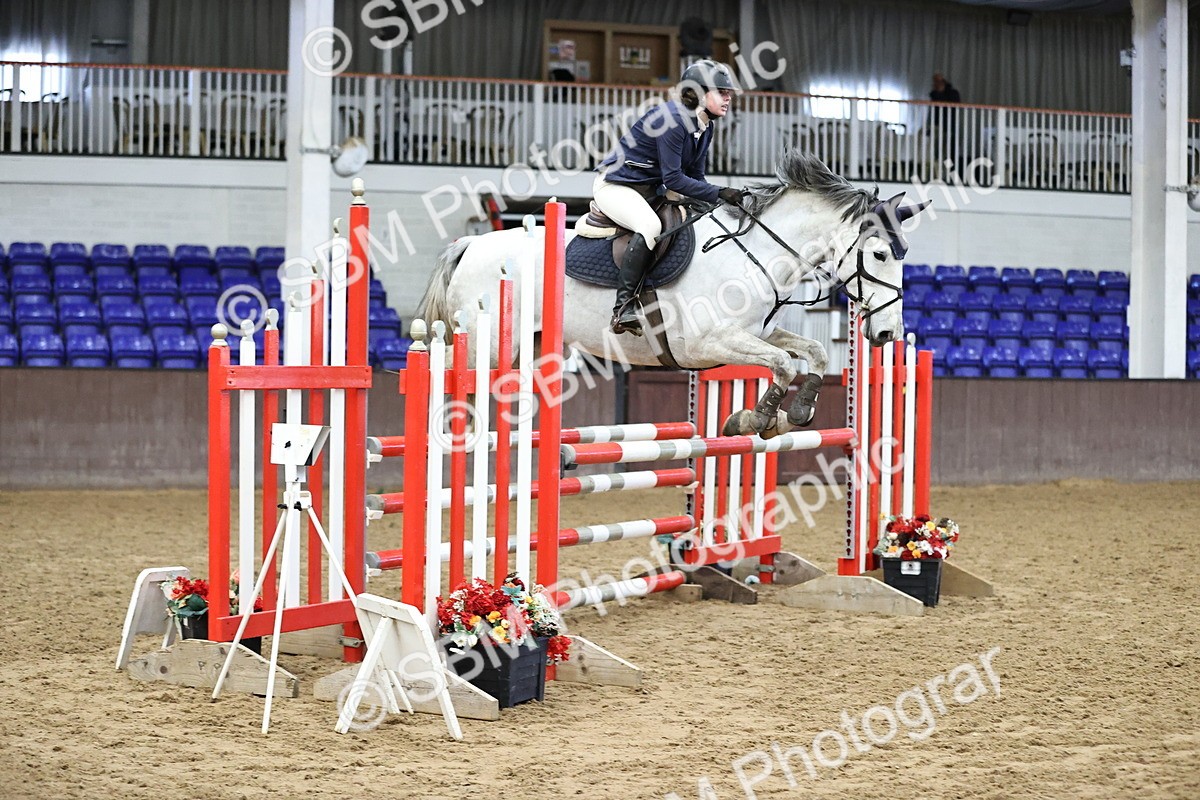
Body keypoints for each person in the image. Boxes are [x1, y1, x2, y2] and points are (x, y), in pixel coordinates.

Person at [594, 59, 745, 336]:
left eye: (729, 93)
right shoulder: (673, 120)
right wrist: (720, 192)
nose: (729, 97)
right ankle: (622, 308)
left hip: (649, 190)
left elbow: (695, 177)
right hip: (616, 186)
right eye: (722, 92)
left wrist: (718, 200)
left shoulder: (705, 126)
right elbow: (674, 179)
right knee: (650, 227)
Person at [928, 73, 962, 171]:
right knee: (937, 152)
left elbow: (954, 107)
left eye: (939, 81)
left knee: (949, 152)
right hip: (938, 127)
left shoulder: (952, 93)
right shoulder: (934, 94)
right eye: (935, 82)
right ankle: (938, 171)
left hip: (949, 128)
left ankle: (949, 173)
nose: (936, 84)